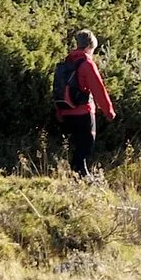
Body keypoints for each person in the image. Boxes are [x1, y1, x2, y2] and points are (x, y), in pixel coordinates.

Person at [51, 30, 114, 174]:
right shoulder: (86, 64)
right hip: (83, 112)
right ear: (91, 46)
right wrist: (109, 111)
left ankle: (76, 176)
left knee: (77, 147)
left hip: (66, 111)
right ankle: (81, 177)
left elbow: (58, 88)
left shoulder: (68, 62)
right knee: (85, 148)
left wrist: (59, 111)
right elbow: (99, 89)